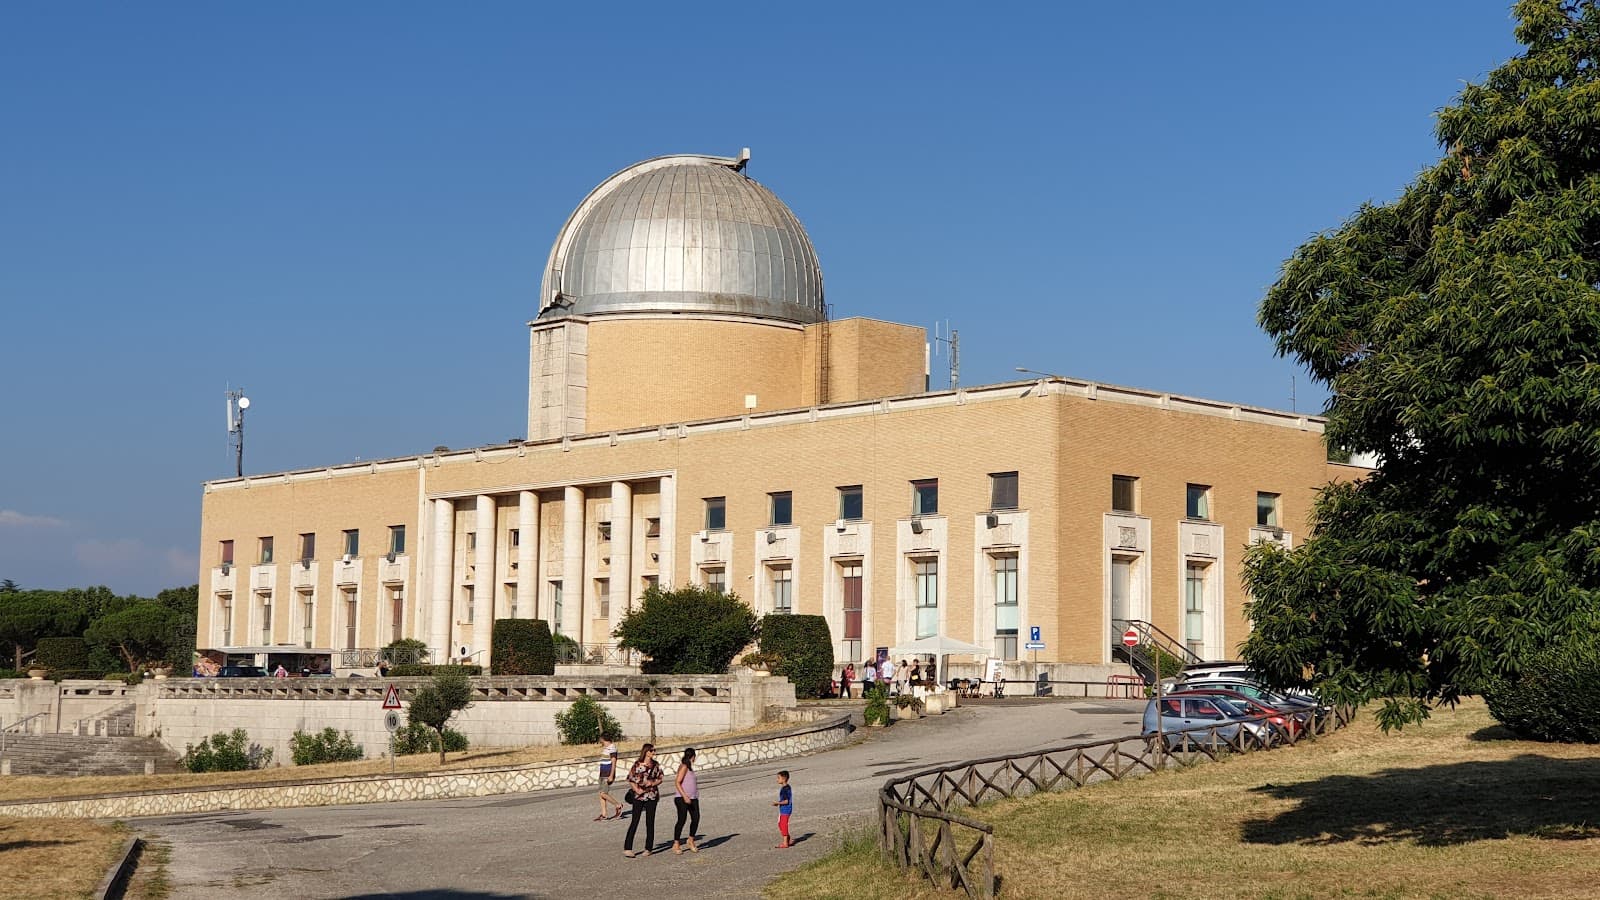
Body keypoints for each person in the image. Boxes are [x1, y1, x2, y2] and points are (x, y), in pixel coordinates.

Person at [623, 743, 663, 858]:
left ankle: (648, 848)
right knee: (635, 821)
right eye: (651, 750)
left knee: (650, 822)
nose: (653, 752)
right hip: (638, 797)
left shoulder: (655, 765)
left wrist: (653, 783)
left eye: (654, 750)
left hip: (651, 795)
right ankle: (628, 848)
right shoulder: (637, 764)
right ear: (646, 752)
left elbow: (660, 778)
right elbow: (630, 778)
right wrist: (636, 789)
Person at [670, 747, 700, 854]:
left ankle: (691, 840)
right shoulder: (684, 767)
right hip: (681, 798)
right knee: (682, 820)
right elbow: (677, 782)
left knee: (696, 818)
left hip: (693, 797)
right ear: (693, 757)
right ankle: (676, 843)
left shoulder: (690, 768)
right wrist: (684, 796)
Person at [596, 734, 623, 821]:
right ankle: (604, 814)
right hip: (603, 773)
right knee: (601, 794)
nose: (600, 741)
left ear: (604, 739)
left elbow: (614, 761)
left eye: (601, 739)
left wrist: (611, 775)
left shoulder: (612, 748)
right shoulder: (606, 748)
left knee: (603, 793)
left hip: (608, 773)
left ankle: (618, 805)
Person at [772, 770, 794, 849]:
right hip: (783, 809)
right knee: (780, 824)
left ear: (784, 778)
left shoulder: (786, 789)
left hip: (786, 809)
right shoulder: (785, 787)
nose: (777, 780)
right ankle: (788, 839)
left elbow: (786, 801)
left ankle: (785, 843)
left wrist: (777, 803)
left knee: (783, 824)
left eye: (778, 778)